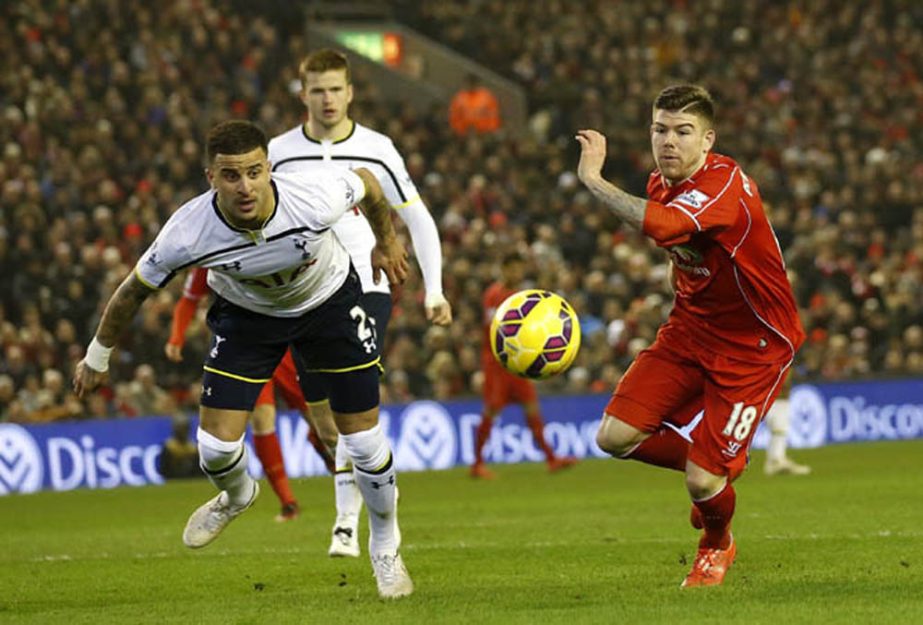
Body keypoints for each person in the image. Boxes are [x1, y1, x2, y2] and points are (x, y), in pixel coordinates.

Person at [73, 120, 414, 599]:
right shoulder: (187, 232)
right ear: (210, 176)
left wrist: (388, 241)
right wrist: (97, 356)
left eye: (255, 172)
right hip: (249, 321)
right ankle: (237, 495)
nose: (246, 186)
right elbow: (132, 292)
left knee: (362, 441)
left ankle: (385, 548)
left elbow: (370, 184)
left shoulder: (312, 197)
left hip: (329, 307)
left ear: (269, 168)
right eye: (231, 175)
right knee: (214, 450)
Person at [575, 84, 805, 587]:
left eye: (683, 132)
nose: (669, 142)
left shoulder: (724, 185)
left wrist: (592, 179)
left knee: (703, 480)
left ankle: (716, 544)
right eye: (660, 130)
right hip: (690, 329)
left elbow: (664, 228)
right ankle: (715, 471)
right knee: (613, 437)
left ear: (708, 140)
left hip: (754, 345)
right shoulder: (662, 182)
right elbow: (682, 249)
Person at [268, 48, 452, 559]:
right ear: (303, 94)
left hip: (367, 285)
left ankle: (350, 522)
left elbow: (417, 217)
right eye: (318, 90)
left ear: (350, 93)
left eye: (336, 89)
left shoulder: (377, 148)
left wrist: (433, 289)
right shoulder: (278, 152)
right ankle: (352, 508)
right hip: (303, 294)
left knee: (355, 402)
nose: (327, 99)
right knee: (326, 423)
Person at [165, 266, 338, 522]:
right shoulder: (211, 251)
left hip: (287, 344)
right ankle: (288, 502)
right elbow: (189, 298)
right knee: (261, 421)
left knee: (320, 422)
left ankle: (347, 474)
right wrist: (176, 337)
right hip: (248, 349)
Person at [471, 252, 578, 479]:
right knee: (491, 411)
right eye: (512, 268)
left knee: (532, 410)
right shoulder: (494, 295)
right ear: (504, 269)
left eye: (519, 268)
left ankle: (551, 459)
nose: (516, 273)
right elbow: (495, 331)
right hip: (497, 365)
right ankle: (477, 464)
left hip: (520, 365)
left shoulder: (523, 297)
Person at [763, 378, 811, 476]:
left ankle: (776, 458)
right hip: (776, 400)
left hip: (777, 400)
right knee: (782, 383)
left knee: (780, 430)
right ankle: (776, 460)